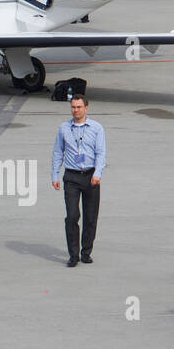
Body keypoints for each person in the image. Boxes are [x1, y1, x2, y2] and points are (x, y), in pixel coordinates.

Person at [50, 95, 106, 267]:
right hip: (72, 177)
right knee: (72, 216)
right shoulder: (64, 128)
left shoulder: (97, 128)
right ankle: (73, 254)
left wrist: (97, 173)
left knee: (90, 217)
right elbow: (58, 152)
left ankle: (86, 252)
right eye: (73, 107)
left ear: (86, 108)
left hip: (90, 177)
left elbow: (101, 153)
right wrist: (54, 175)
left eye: (79, 107)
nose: (76, 110)